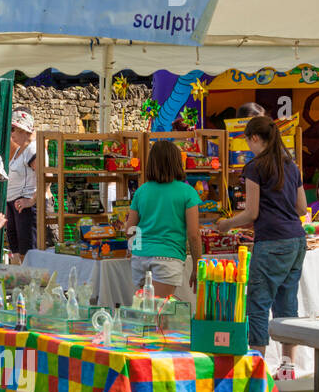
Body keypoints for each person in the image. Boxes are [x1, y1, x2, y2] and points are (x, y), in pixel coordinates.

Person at [217, 116, 307, 353]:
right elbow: (300, 208)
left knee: (257, 304)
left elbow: (251, 213)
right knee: (287, 304)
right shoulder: (291, 165)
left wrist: (227, 224)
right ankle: (288, 367)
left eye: (248, 141)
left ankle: (258, 364)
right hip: (297, 240)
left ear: (254, 137)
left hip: (272, 241)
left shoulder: (255, 167)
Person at [123, 139, 202, 299]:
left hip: (140, 259)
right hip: (169, 258)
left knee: (148, 310)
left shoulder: (141, 191)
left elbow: (129, 230)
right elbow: (194, 235)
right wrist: (197, 266)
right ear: (177, 162)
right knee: (158, 312)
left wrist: (136, 250)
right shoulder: (187, 192)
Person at [5, 109, 43, 263]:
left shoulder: (32, 149)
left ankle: (32, 283)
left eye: (13, 129)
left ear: (23, 129)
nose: (11, 133)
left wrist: (31, 201)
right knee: (18, 250)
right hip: (15, 204)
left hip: (25, 206)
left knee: (28, 252)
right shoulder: (19, 150)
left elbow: (44, 176)